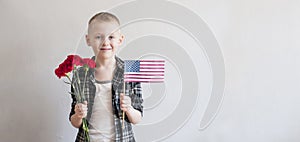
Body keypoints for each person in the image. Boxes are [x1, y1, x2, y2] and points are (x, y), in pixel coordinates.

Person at [69, 12, 143, 142]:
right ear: (88, 40)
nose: (105, 42)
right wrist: (79, 114)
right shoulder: (80, 74)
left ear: (120, 40)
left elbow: (138, 118)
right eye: (98, 37)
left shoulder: (130, 71)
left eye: (111, 37)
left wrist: (129, 108)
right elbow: (75, 122)